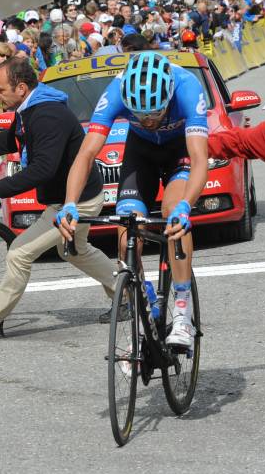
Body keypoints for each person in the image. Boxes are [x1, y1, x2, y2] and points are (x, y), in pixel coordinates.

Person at [0, 58, 116, 341]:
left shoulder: (46, 115)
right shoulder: (31, 108)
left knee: (19, 253)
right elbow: (12, 141)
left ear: (22, 87)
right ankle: (127, 295)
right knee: (74, 250)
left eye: (1, 90)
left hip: (75, 200)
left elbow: (43, 169)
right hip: (73, 196)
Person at [60, 52, 208, 348]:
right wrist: (70, 203)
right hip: (140, 154)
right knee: (127, 230)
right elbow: (87, 154)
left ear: (167, 97)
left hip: (179, 150)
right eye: (140, 115)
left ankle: (181, 310)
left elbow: (199, 159)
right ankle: (144, 302)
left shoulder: (187, 87)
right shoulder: (116, 90)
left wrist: (185, 206)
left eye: (155, 114)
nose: (148, 121)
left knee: (172, 215)